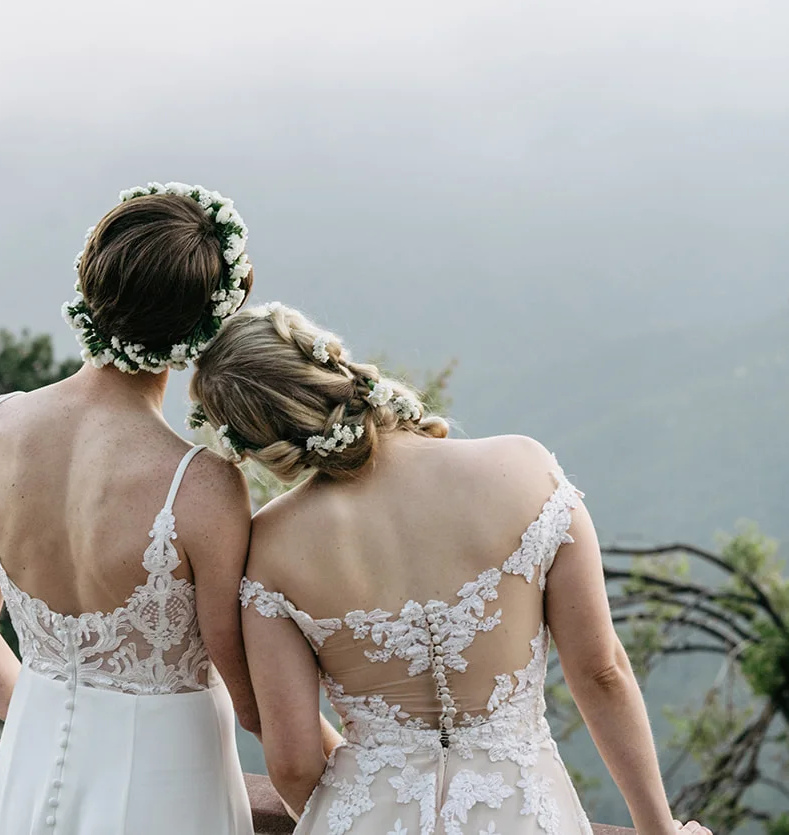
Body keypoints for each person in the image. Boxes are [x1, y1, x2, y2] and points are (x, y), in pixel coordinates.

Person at [188, 303, 712, 835]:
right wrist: (658, 829)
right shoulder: (525, 470)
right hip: (522, 811)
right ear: (327, 362)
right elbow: (601, 672)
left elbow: (294, 763)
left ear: (252, 442)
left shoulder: (270, 548)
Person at [0, 183, 260, 834]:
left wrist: (57, 721)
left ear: (90, 284)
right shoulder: (200, 486)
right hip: (170, 792)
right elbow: (255, 700)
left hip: (32, 776)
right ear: (207, 323)